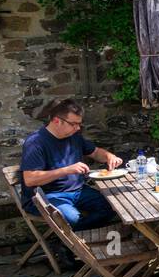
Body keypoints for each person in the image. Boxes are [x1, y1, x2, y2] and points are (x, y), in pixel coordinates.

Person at [21, 98, 122, 231]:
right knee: (72, 219)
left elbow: (96, 152)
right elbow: (30, 179)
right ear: (57, 121)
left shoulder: (74, 136)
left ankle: (80, 241)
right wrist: (66, 170)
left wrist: (109, 156)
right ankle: (75, 246)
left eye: (79, 124)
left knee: (115, 206)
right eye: (73, 124)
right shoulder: (35, 142)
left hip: (78, 191)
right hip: (47, 196)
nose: (78, 128)